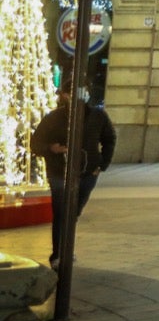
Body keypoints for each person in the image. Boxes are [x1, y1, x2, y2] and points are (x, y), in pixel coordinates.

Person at [29, 82, 116, 270]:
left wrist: (102, 164)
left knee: (73, 212)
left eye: (81, 92)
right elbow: (35, 143)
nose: (75, 97)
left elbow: (109, 138)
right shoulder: (54, 117)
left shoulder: (98, 116)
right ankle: (58, 254)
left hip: (88, 173)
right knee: (62, 213)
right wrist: (51, 148)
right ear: (65, 96)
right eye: (71, 94)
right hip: (59, 172)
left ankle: (65, 249)